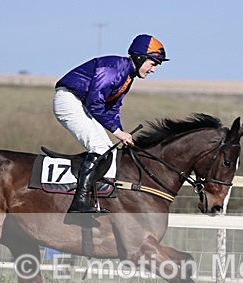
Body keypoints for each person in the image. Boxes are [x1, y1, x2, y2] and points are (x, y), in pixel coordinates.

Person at [53, 34, 169, 218]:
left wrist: (121, 132)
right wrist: (117, 132)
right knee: (100, 148)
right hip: (69, 100)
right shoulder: (113, 69)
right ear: (140, 58)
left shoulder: (127, 75)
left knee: (109, 151)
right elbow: (95, 103)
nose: (153, 69)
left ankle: (93, 198)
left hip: (81, 103)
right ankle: (79, 203)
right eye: (153, 63)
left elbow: (112, 108)